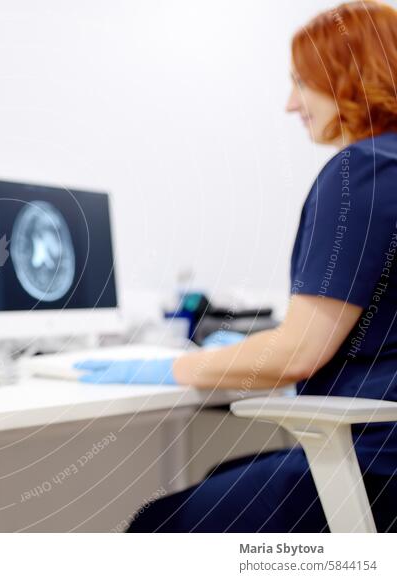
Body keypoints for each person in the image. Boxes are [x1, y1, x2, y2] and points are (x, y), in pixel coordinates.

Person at [76, 0, 397, 532]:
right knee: (224, 472)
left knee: (156, 526)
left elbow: (299, 351)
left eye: (302, 82)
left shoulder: (359, 172)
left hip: (371, 464)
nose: (291, 104)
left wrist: (172, 367)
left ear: (348, 77)